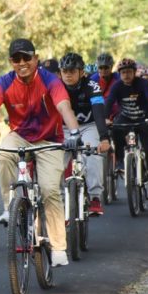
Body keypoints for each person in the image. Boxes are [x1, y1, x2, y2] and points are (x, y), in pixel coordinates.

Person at [0, 38, 82, 267]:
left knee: (49, 191)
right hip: (21, 137)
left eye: (27, 57)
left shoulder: (50, 81)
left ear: (35, 59)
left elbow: (63, 107)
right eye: (16, 59)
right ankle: (10, 207)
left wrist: (74, 133)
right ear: (11, 62)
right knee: (4, 151)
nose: (22, 62)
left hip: (50, 139)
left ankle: (58, 247)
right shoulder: (4, 83)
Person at [58, 52, 110, 215]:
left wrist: (104, 137)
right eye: (64, 71)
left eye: (72, 71)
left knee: (92, 154)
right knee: (53, 162)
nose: (68, 74)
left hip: (89, 126)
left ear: (82, 72)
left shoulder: (92, 86)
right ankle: (58, 199)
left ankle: (95, 197)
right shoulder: (56, 87)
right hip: (64, 129)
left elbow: (99, 113)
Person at [105, 58, 148, 200]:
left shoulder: (142, 83)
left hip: (144, 119)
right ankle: (119, 160)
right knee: (115, 129)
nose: (126, 75)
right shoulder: (117, 86)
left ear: (134, 72)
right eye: (123, 72)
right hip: (125, 118)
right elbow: (109, 101)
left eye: (129, 72)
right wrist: (106, 117)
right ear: (120, 73)